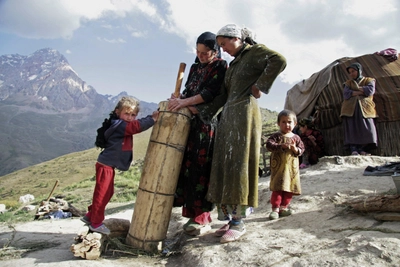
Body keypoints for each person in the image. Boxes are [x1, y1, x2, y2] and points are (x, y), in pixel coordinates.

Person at [196, 24, 286, 243]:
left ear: (236, 38)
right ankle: (228, 218)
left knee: (239, 163)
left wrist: (260, 86)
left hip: (245, 114)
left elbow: (279, 60)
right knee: (226, 165)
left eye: (224, 44)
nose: (223, 49)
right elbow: (223, 95)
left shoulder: (255, 52)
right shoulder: (235, 64)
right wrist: (199, 111)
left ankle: (239, 222)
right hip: (228, 117)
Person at [168, 32, 227, 234]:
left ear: (215, 51)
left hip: (206, 123)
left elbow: (210, 94)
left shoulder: (220, 66)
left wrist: (185, 102)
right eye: (198, 52)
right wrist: (179, 98)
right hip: (191, 123)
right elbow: (190, 91)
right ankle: (191, 214)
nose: (201, 56)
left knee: (201, 168)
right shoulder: (194, 68)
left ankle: (201, 217)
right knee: (187, 166)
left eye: (205, 52)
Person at [81, 96, 159, 235]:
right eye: (126, 114)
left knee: (107, 192)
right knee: (102, 194)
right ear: (118, 112)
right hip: (106, 165)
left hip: (108, 164)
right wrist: (153, 119)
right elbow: (136, 126)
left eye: (133, 115)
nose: (130, 117)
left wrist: (150, 117)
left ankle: (90, 215)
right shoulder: (120, 125)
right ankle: (96, 223)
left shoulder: (118, 123)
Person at [266, 109, 304, 220]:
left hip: (291, 169)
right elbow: (269, 145)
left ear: (295, 123)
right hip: (278, 169)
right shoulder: (276, 136)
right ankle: (275, 209)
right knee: (278, 187)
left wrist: (295, 149)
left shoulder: (296, 138)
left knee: (289, 188)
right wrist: (280, 146)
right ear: (278, 123)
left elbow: (302, 149)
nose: (287, 124)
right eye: (283, 122)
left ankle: (283, 208)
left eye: (289, 122)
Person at [340, 62, 378, 156]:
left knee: (367, 128)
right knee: (352, 128)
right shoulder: (348, 83)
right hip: (349, 109)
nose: (351, 74)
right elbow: (346, 94)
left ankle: (364, 148)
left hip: (365, 108)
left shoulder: (369, 80)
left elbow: (369, 91)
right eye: (350, 72)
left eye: (353, 71)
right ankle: (354, 149)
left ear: (359, 70)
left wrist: (355, 90)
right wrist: (361, 91)